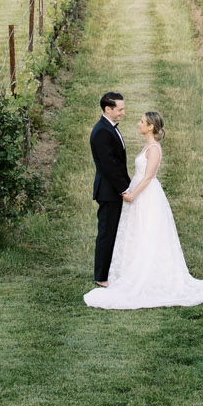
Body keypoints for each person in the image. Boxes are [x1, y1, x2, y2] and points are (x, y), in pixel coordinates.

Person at [83, 108, 203, 309]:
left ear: (151, 126)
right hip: (138, 194)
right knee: (137, 233)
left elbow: (148, 177)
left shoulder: (154, 149)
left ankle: (149, 275)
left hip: (147, 196)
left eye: (142, 122)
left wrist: (133, 194)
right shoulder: (146, 147)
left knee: (149, 232)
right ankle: (132, 270)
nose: (138, 124)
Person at [89, 90, 130, 288]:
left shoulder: (109, 127)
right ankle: (101, 277)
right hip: (108, 191)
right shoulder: (102, 132)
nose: (123, 112)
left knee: (114, 232)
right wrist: (124, 189)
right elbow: (109, 165)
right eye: (120, 109)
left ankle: (110, 271)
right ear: (108, 109)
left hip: (113, 190)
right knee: (106, 233)